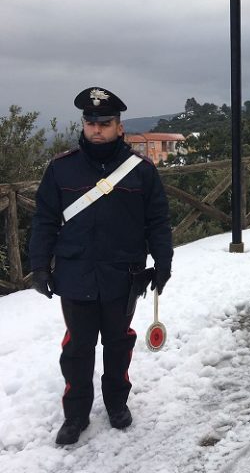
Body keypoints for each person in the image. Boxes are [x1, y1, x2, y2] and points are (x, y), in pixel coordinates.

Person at [28, 87, 173, 445]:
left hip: (123, 275)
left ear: (119, 126)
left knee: (117, 343)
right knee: (77, 348)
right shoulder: (61, 169)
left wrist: (164, 261)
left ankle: (116, 404)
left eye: (104, 123)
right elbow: (45, 220)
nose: (96, 129)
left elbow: (157, 220)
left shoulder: (140, 172)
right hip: (75, 275)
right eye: (90, 122)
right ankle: (75, 414)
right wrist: (40, 266)